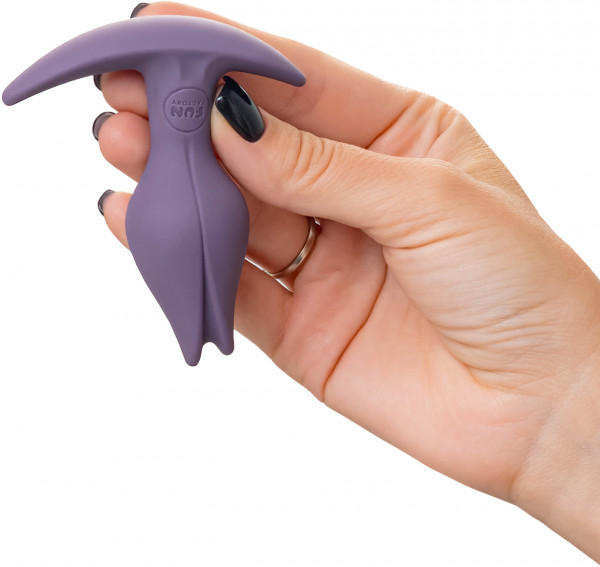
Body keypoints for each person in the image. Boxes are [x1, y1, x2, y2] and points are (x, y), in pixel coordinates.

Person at [92, 2, 600, 562]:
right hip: (187, 209)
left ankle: (204, 330)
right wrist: (565, 400)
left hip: (195, 207)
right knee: (189, 285)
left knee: (196, 278)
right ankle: (198, 330)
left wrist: (567, 396)